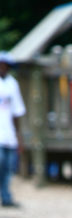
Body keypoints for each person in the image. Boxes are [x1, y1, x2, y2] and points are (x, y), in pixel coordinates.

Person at [0, 52, 25, 209]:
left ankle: (6, 197)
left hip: (9, 134)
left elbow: (17, 112)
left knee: (9, 167)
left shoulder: (12, 84)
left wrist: (19, 136)